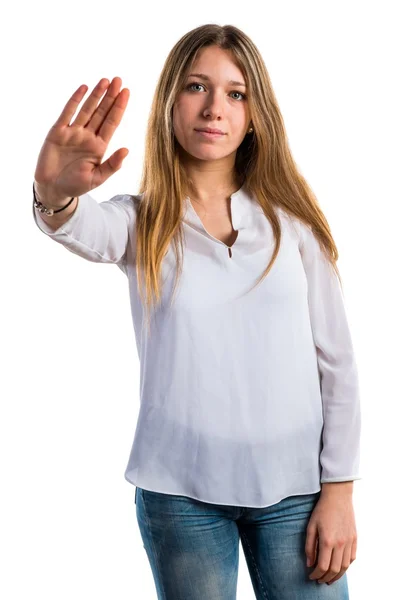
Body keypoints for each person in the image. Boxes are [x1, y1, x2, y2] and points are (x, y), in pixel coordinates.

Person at [32, 22, 361, 600]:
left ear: (256, 113)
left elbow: (338, 365)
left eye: (235, 93)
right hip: (179, 495)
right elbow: (78, 225)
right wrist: (53, 194)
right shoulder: (142, 222)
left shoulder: (295, 226)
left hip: (296, 492)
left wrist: (340, 491)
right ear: (169, 104)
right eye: (196, 87)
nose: (214, 108)